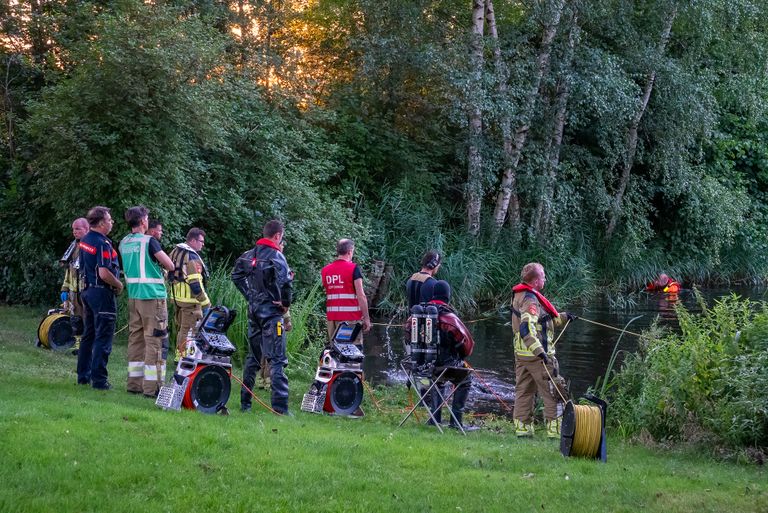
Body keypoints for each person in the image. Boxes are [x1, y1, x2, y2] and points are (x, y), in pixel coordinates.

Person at [231, 220, 293, 414]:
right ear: (277, 235)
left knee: (253, 357)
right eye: (281, 236)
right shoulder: (277, 256)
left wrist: (250, 295)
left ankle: (245, 403)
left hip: (254, 312)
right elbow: (286, 284)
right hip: (272, 315)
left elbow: (236, 276)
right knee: (277, 359)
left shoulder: (248, 255)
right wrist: (285, 304)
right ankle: (280, 408)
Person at [510, 263, 577, 438]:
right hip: (537, 355)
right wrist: (541, 353)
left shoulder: (520, 295)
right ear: (535, 280)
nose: (545, 278)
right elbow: (526, 328)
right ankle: (556, 432)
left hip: (521, 354)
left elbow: (542, 320)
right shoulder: (531, 300)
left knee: (524, 390)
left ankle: (523, 430)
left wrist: (563, 317)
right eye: (543, 275)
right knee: (554, 390)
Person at [119, 206, 175, 397]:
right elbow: (169, 264)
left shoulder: (124, 242)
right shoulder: (150, 241)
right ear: (143, 221)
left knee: (136, 339)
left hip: (133, 297)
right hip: (152, 297)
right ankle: (152, 387)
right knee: (155, 341)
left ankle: (134, 384)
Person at [77, 206, 122, 390]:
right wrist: (118, 284)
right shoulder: (103, 243)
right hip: (102, 292)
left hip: (87, 292)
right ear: (102, 223)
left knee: (88, 335)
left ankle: (83, 376)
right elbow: (104, 272)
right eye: (110, 220)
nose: (112, 223)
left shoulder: (85, 240)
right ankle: (100, 381)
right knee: (103, 337)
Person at [424, 280, 477, 431]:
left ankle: (434, 418)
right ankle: (456, 422)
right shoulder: (450, 318)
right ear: (447, 296)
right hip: (446, 367)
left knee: (437, 379)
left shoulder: (418, 314)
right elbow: (468, 346)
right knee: (466, 378)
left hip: (421, 367)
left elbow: (408, 337)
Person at [321, 239, 371, 348]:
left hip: (332, 319)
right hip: (349, 320)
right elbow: (361, 295)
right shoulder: (353, 268)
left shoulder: (325, 271)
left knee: (335, 350)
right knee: (351, 352)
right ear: (350, 251)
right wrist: (366, 318)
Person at [168, 228, 210, 356]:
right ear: (192, 240)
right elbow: (195, 284)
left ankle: (179, 354)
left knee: (181, 328)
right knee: (189, 330)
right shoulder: (192, 257)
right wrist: (206, 303)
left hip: (177, 298)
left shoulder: (175, 251)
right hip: (191, 300)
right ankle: (182, 357)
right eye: (201, 241)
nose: (203, 244)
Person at [60, 217, 89, 338]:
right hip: (74, 292)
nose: (74, 232)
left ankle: (88, 347)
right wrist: (64, 289)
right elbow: (69, 270)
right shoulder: (73, 246)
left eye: (78, 229)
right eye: (73, 229)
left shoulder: (90, 246)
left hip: (87, 290)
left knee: (88, 320)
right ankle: (78, 347)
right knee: (76, 321)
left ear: (87, 229)